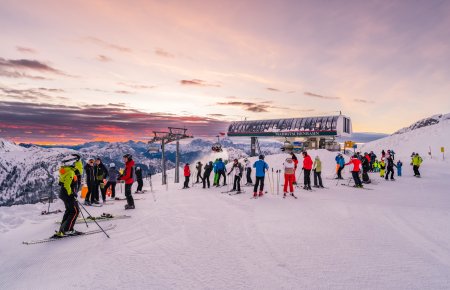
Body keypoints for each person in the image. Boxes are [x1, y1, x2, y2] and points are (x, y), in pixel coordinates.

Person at [54, 157, 80, 237]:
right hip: (68, 195)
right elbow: (66, 185)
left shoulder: (65, 170)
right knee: (75, 211)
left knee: (69, 211)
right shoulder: (70, 172)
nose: (75, 164)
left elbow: (62, 182)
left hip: (64, 194)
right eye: (74, 162)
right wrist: (71, 194)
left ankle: (63, 229)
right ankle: (68, 230)